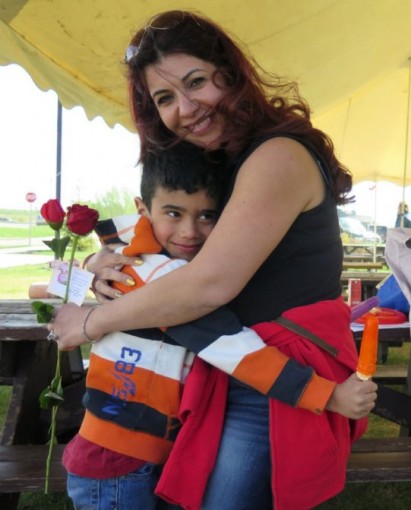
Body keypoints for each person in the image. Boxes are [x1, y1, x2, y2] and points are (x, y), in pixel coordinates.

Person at [50, 10, 377, 509]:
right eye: (164, 98)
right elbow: (163, 238)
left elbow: (209, 284)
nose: (186, 108)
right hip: (233, 364)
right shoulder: (228, 161)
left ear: (230, 74)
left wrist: (91, 322)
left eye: (196, 82)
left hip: (275, 380)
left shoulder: (276, 156)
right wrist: (108, 261)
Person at [66, 143, 359, 509]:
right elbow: (238, 352)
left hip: (134, 451)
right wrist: (328, 396)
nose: (190, 231)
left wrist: (91, 264)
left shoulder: (139, 257)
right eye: (174, 213)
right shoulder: (170, 284)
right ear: (143, 209)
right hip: (117, 463)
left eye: (207, 216)